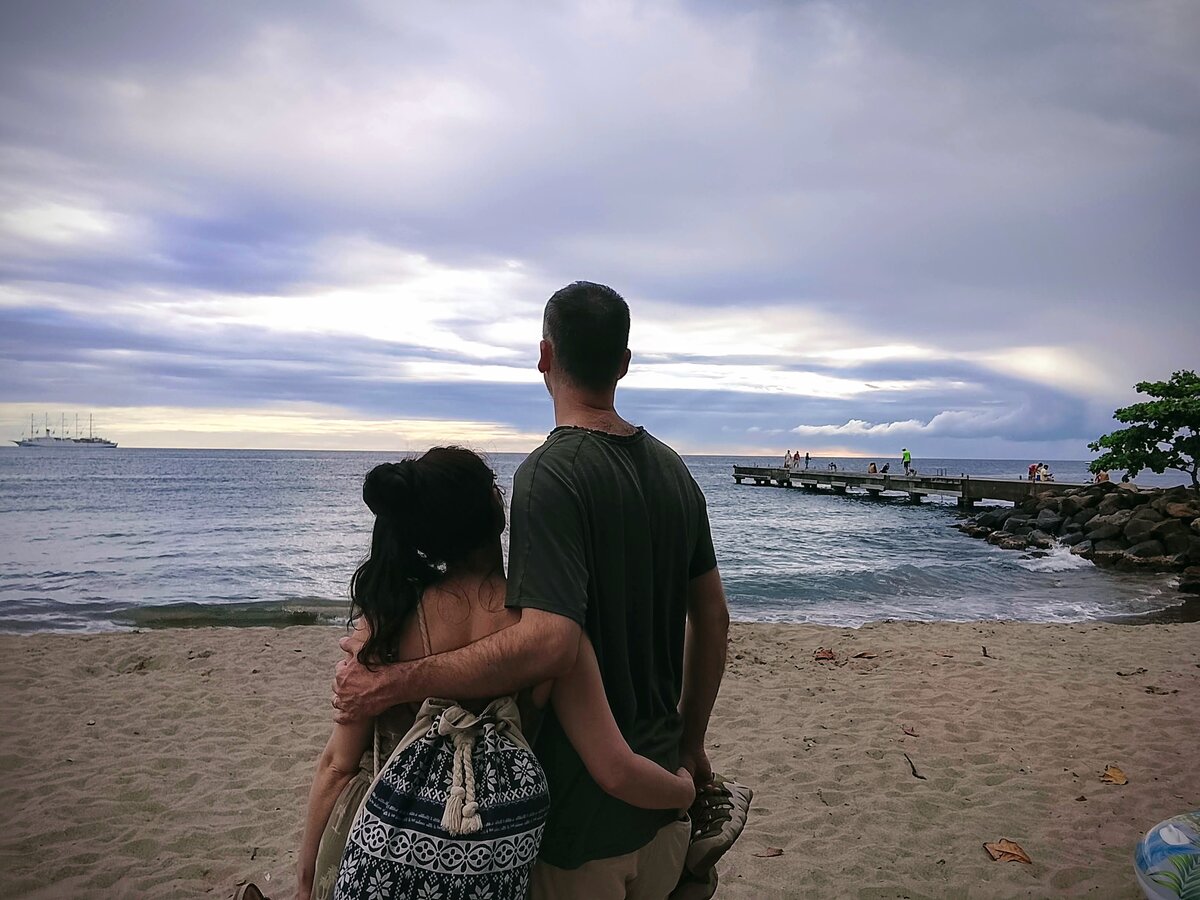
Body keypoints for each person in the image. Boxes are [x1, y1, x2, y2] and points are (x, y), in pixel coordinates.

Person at [332, 282, 732, 899]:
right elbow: (712, 619)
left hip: (578, 829)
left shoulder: (550, 475)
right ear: (624, 363)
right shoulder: (675, 471)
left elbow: (549, 643)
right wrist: (691, 741)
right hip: (661, 808)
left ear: (544, 356)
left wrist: (392, 681)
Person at [292, 450, 695, 900]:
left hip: (392, 854)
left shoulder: (387, 619)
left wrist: (307, 876)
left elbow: (336, 766)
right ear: (497, 511)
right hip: (494, 863)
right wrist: (682, 790)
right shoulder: (543, 635)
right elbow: (615, 770)